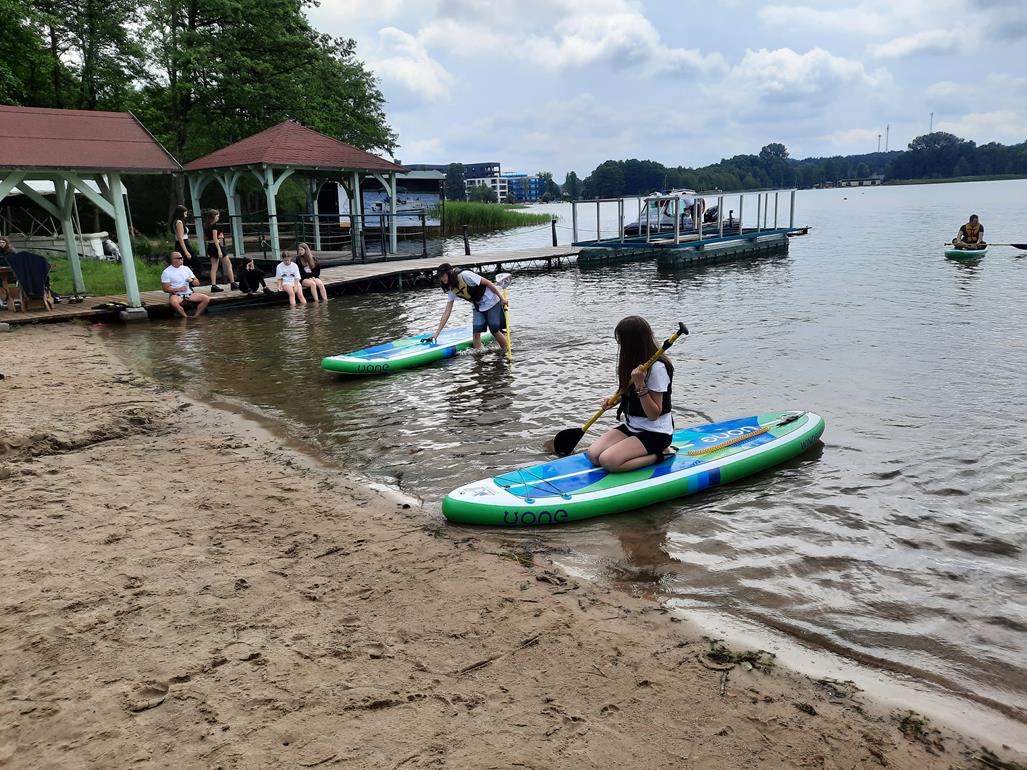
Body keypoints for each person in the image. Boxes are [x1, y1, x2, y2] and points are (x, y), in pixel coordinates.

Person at [585, 315, 674, 473]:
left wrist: (641, 385)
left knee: (608, 461)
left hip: (656, 433)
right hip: (632, 426)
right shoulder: (633, 361)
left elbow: (654, 414)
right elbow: (627, 390)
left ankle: (661, 454)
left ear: (632, 342)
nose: (620, 345)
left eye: (622, 341)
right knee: (593, 455)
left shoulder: (658, 368)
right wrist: (614, 400)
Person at [431, 263, 508, 350]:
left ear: (449, 273)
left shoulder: (465, 275)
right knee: (476, 333)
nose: (442, 278)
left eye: (443, 275)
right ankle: (479, 355)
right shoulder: (451, 289)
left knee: (494, 330)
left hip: (491, 300)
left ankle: (506, 350)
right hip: (477, 305)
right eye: (440, 277)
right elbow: (447, 312)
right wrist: (437, 333)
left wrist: (502, 299)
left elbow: (488, 283)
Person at [160, 250, 210, 317]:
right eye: (179, 258)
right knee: (173, 303)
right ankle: (185, 317)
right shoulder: (166, 272)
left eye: (182, 257)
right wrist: (178, 289)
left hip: (189, 293)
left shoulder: (186, 268)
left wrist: (194, 281)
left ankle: (196, 316)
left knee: (206, 298)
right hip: (176, 294)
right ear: (173, 260)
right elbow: (165, 289)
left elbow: (196, 282)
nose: (182, 259)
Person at [203, 209, 237, 292]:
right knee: (228, 264)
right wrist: (219, 250)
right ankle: (233, 284)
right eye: (217, 216)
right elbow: (215, 238)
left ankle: (213, 286)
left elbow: (206, 238)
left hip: (210, 246)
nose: (218, 217)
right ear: (214, 216)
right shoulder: (214, 225)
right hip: (216, 246)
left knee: (214, 267)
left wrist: (219, 237)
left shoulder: (207, 225)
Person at [171, 205, 199, 277]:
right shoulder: (179, 222)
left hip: (179, 244)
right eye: (185, 214)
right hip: (183, 244)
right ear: (181, 213)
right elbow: (180, 237)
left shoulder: (175, 222)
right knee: (197, 265)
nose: (186, 216)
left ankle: (187, 282)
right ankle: (191, 281)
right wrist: (186, 251)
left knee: (184, 265)